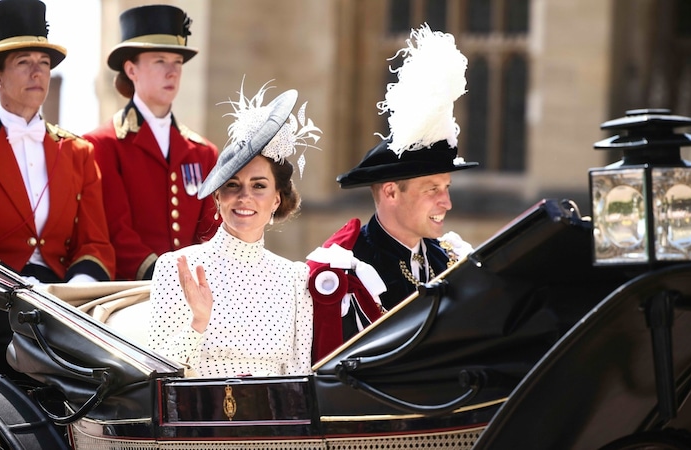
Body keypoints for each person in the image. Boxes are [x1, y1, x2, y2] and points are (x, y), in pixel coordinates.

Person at [0, 0, 114, 378]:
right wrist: (19, 289)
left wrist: (76, 290)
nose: (38, 72)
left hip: (63, 298)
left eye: (44, 63)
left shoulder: (79, 153)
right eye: (24, 63)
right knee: (24, 343)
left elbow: (96, 243)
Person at [307, 24, 476, 361]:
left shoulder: (449, 258)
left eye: (447, 188)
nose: (447, 202)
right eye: (432, 189)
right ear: (390, 193)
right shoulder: (347, 269)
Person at [147, 82, 321, 377]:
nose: (245, 197)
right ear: (217, 197)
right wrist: (198, 322)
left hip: (274, 420)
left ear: (277, 198)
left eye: (259, 186)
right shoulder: (176, 267)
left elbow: (299, 374)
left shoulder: (296, 278)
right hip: (201, 418)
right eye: (232, 186)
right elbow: (155, 371)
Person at [83, 4, 220, 281]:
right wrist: (164, 277)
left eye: (177, 63)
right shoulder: (103, 144)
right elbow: (115, 229)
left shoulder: (203, 152)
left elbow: (211, 231)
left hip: (198, 291)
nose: (172, 72)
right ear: (131, 70)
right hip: (132, 291)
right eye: (160, 61)